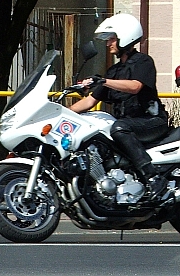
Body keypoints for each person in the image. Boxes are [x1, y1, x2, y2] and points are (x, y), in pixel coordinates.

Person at [70, 13, 169, 199]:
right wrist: (62, 113)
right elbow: (90, 101)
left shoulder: (143, 62)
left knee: (119, 127)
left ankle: (154, 177)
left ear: (126, 37)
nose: (108, 44)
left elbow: (135, 86)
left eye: (112, 39)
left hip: (151, 121)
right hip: (128, 125)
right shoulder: (114, 71)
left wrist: (104, 81)